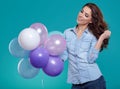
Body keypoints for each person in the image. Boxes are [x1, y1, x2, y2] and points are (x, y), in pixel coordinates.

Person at [60, 3, 111, 89]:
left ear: (90, 20)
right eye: (81, 11)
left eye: (86, 15)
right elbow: (64, 55)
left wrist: (101, 38)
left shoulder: (92, 36)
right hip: (76, 83)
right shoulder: (67, 33)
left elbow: (91, 59)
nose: (81, 15)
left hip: (94, 82)